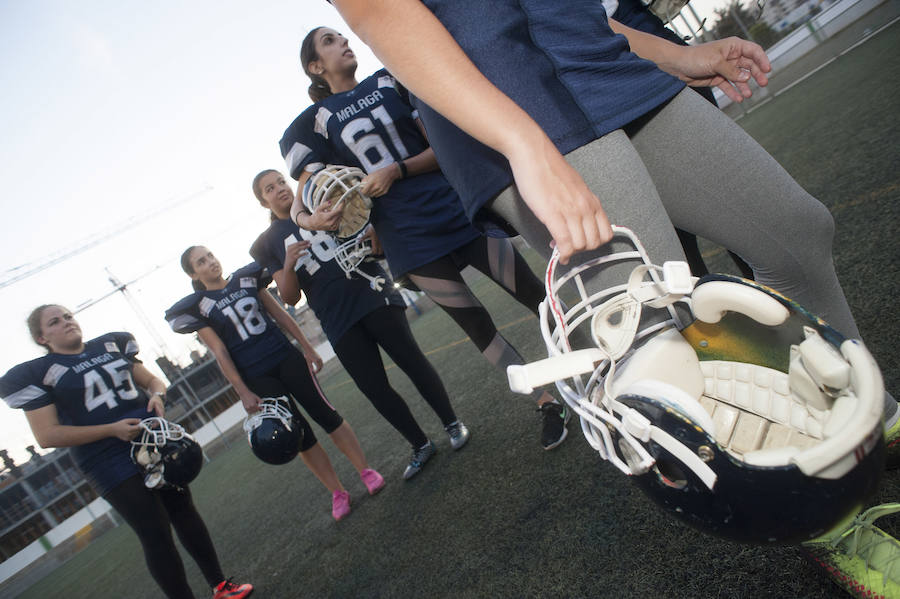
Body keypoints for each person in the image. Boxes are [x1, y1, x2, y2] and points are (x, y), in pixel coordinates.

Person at [328, 0, 900, 592]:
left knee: (797, 233)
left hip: (600, 63)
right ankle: (830, 520)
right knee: (659, 348)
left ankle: (867, 418)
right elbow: (380, 12)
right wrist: (521, 142)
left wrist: (678, 55)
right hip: (504, 99)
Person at [280, 26, 569, 450]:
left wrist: (398, 170)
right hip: (407, 237)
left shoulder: (390, 78)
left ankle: (596, 365)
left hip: (454, 206)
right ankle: (546, 403)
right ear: (315, 67)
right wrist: (309, 217)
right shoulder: (314, 123)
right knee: (475, 323)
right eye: (329, 41)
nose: (344, 41)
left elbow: (443, 148)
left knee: (536, 294)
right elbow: (300, 197)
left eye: (342, 36)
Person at [0, 305, 253, 599]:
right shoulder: (39, 372)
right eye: (55, 322)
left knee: (184, 511)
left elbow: (153, 381)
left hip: (150, 441)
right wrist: (111, 429)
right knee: (155, 532)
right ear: (42, 338)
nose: (66, 323)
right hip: (106, 458)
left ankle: (221, 585)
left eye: (68, 316)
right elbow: (47, 435)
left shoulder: (110, 345)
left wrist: (158, 395)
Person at [250, 169, 469, 479]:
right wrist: (287, 265)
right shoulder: (267, 242)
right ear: (263, 201)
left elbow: (369, 231)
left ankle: (451, 422)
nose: (280, 189)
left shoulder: (318, 200)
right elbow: (290, 296)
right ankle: (420, 444)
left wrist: (374, 238)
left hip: (370, 291)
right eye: (270, 189)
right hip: (335, 317)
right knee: (374, 388)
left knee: (412, 361)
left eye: (281, 182)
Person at [167, 246, 384, 520]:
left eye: (210, 255)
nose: (210, 262)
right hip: (257, 376)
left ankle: (365, 470)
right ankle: (337, 491)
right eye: (201, 261)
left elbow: (280, 315)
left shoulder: (247, 279)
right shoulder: (199, 307)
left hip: (286, 358)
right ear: (192, 272)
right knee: (299, 434)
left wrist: (307, 347)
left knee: (326, 414)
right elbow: (220, 352)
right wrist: (242, 390)